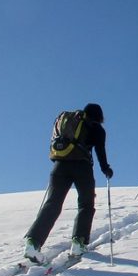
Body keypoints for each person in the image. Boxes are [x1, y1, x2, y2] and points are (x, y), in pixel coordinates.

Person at [23, 103, 113, 263]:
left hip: (59, 166)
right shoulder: (97, 128)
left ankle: (33, 242)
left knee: (52, 203)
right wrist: (106, 169)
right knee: (86, 204)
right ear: (99, 116)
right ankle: (78, 242)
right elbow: (100, 151)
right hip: (82, 167)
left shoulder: (70, 121)